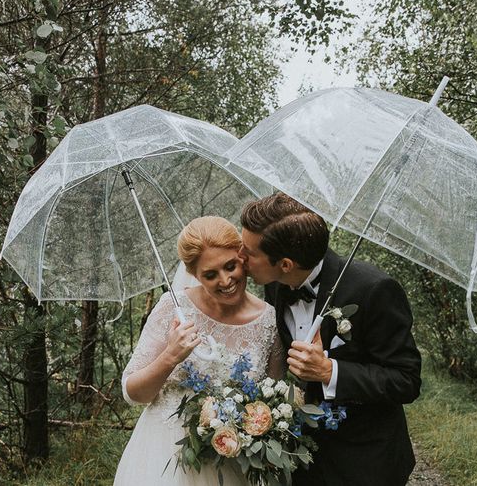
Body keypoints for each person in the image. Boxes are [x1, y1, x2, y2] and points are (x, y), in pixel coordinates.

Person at [240, 193, 422, 486]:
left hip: (365, 461)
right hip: (303, 458)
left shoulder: (374, 289)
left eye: (248, 252)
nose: (240, 257)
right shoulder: (276, 286)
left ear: (285, 264)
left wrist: (330, 372)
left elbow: (406, 380)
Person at [114, 216, 284, 485]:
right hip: (165, 458)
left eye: (231, 266)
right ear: (194, 275)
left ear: (243, 258)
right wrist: (171, 356)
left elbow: (273, 402)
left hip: (234, 464)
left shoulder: (269, 321)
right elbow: (133, 393)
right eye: (210, 274)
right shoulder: (173, 308)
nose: (226, 280)